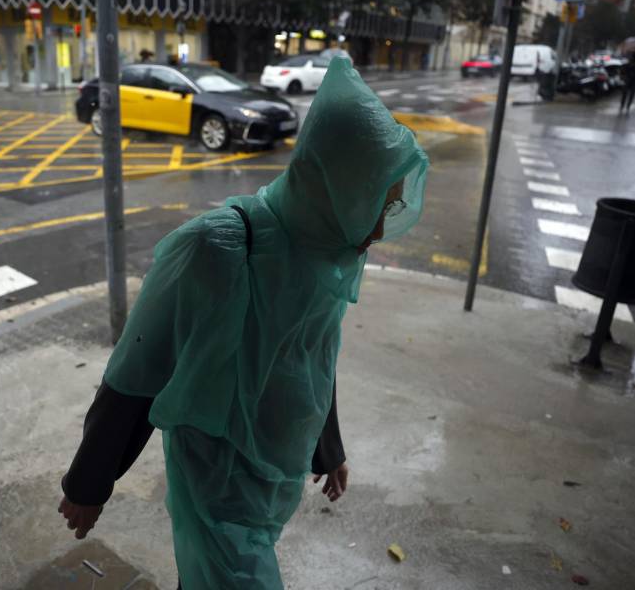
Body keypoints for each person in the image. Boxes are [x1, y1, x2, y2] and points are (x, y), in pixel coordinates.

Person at [58, 57, 429, 589]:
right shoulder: (217, 248)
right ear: (336, 184)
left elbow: (312, 356)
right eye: (375, 206)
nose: (378, 231)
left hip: (274, 482)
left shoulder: (328, 251)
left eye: (389, 210)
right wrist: (90, 481)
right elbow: (137, 368)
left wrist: (328, 445)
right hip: (215, 487)